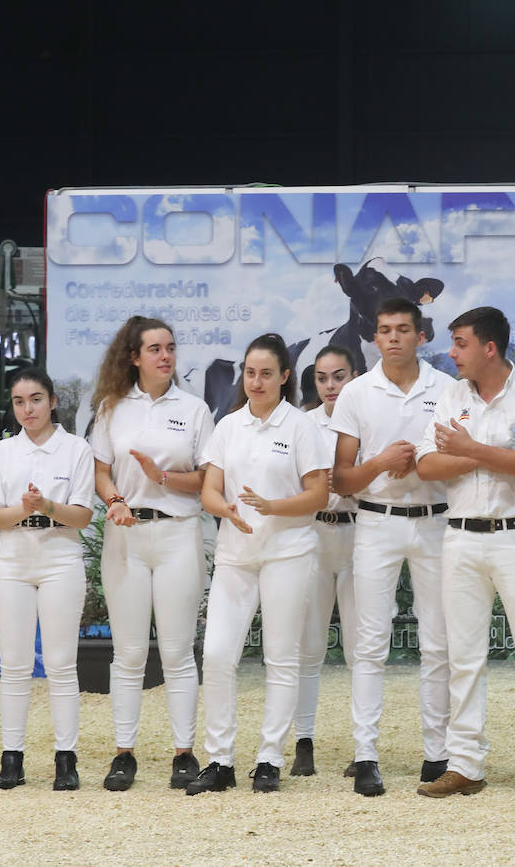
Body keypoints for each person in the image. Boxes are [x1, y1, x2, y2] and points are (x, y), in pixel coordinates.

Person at [415, 306, 515, 804]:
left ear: (489, 348)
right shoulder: (450, 395)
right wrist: (482, 452)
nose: (451, 352)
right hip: (459, 535)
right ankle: (464, 763)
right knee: (464, 656)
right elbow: (427, 464)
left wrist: (471, 449)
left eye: (460, 343)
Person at [186, 334, 331, 794]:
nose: (256, 381)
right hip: (235, 555)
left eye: (266, 373)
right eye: (250, 372)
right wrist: (223, 508)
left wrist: (273, 506)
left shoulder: (301, 426)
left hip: (288, 552)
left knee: (281, 658)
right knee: (217, 655)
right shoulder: (228, 425)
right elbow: (211, 488)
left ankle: (269, 758)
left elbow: (318, 496)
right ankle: (219, 760)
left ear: (285, 376)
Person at [329, 297, 454, 795]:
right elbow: (341, 478)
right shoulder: (356, 393)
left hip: (435, 523)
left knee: (438, 642)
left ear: (421, 335)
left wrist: (420, 463)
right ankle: (366, 755)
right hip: (376, 523)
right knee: (370, 643)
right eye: (385, 330)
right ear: (374, 338)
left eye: (404, 329)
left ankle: (437, 753)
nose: (394, 337)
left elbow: (455, 456)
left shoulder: (446, 389)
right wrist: (381, 462)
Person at [90, 316, 213, 792]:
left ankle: (184, 752)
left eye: (171, 348)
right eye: (155, 349)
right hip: (126, 536)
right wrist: (115, 501)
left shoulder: (196, 408)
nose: (165, 356)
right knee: (128, 654)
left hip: (178, 534)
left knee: (180, 652)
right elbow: (102, 472)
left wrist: (162, 477)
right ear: (134, 357)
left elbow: (206, 480)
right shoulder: (111, 408)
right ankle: (124, 753)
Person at [0, 369, 95, 791]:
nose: (27, 409)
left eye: (35, 399)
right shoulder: (3, 453)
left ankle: (66, 759)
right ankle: (12, 758)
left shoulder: (76, 449)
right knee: (13, 666)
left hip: (60, 559)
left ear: (51, 402)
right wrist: (27, 508)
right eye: (18, 401)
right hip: (12, 561)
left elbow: (81, 516)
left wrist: (46, 504)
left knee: (61, 664)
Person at [289, 345, 362, 778]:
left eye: (339, 376)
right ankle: (304, 741)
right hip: (313, 534)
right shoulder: (303, 424)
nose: (331, 385)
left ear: (355, 376)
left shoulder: (367, 422)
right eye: (322, 378)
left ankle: (362, 747)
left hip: (359, 534)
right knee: (308, 647)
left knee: (359, 649)